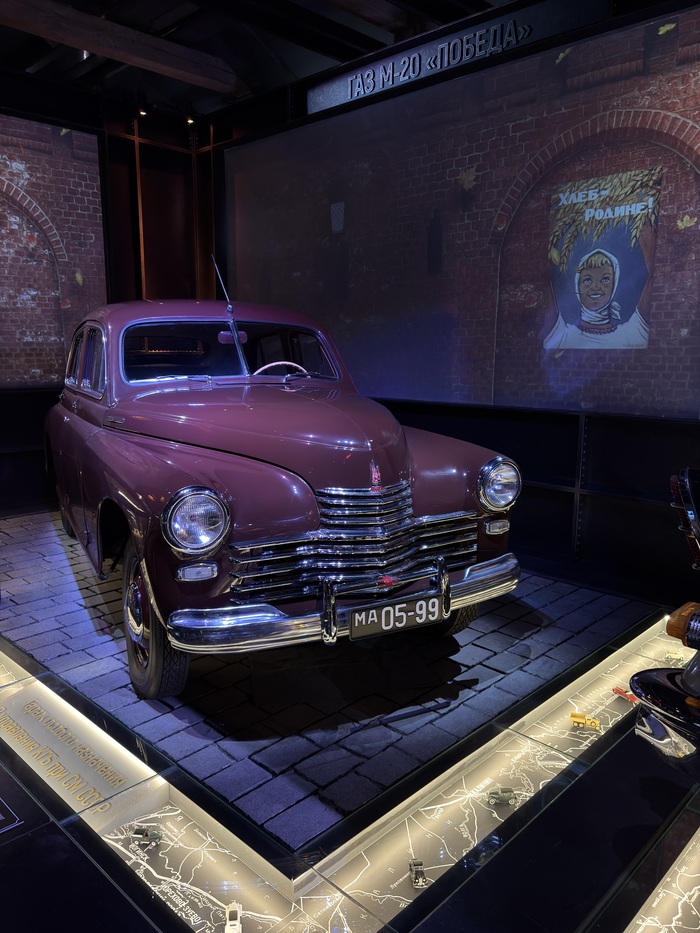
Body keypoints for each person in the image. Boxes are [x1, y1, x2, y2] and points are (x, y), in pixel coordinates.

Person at [543, 248, 649, 349]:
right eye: (587, 280)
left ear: (614, 285)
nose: (595, 287)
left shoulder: (630, 335)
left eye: (605, 279)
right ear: (577, 286)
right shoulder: (561, 336)